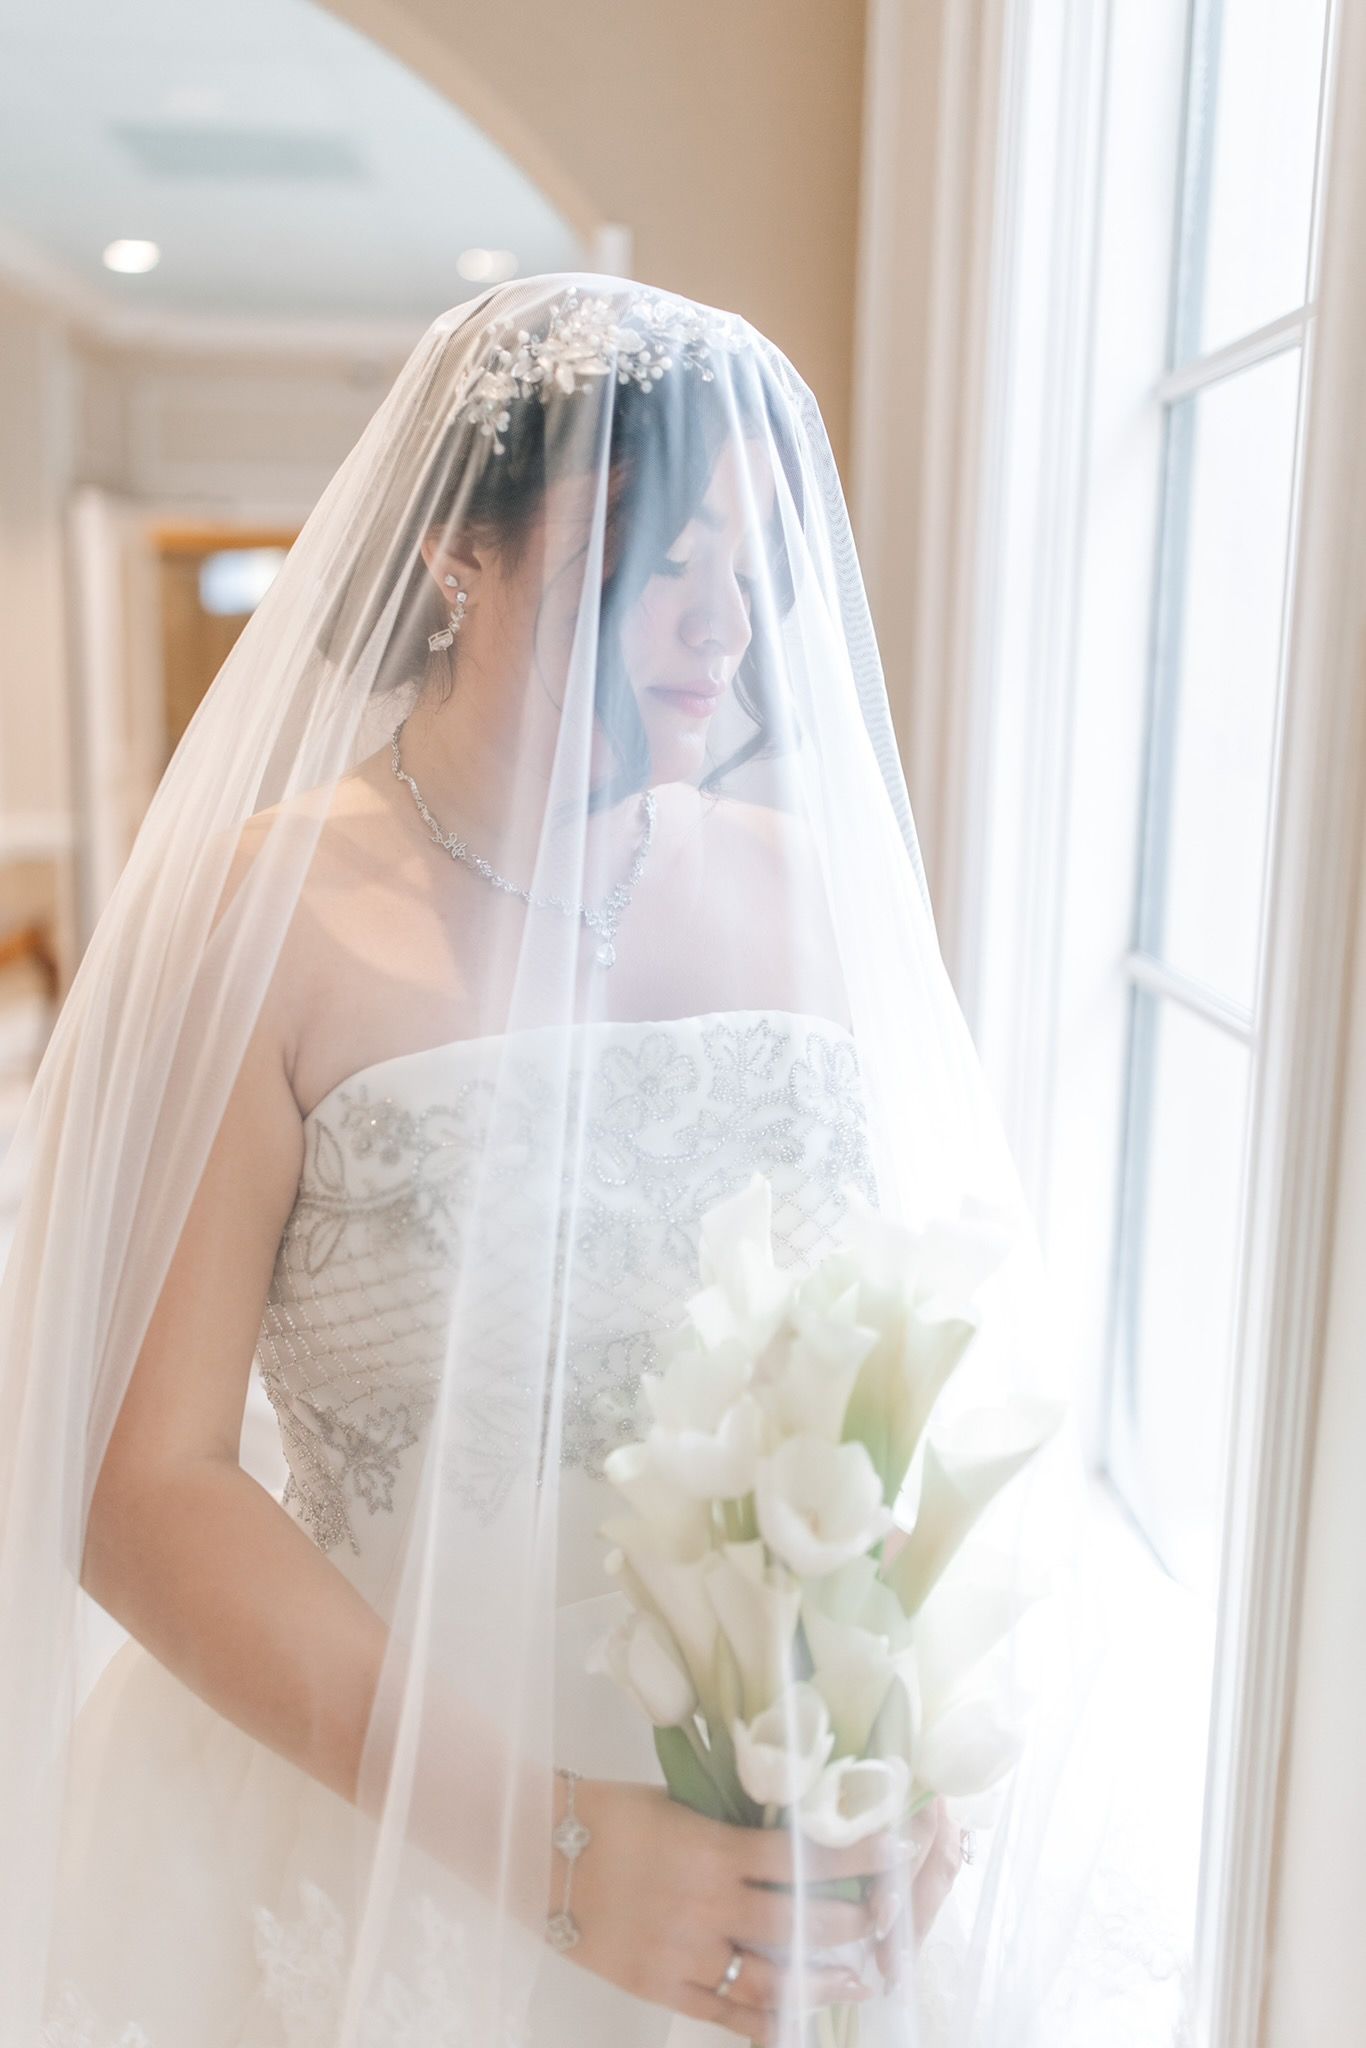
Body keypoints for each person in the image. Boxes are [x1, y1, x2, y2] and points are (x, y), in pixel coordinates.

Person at [0, 275, 1103, 2047]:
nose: (720, 623)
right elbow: (139, 1484)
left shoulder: (802, 894)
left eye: (750, 567)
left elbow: (882, 1387)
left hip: (764, 1849)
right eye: (658, 557)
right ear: (459, 550)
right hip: (373, 1831)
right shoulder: (259, 918)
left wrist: (892, 1739)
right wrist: (553, 1847)